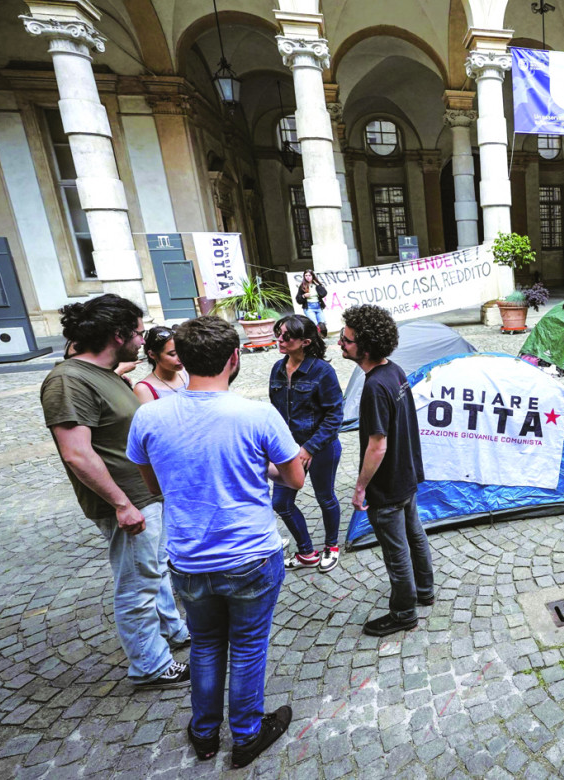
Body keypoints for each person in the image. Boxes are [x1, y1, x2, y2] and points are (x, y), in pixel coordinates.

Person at [127, 316, 303, 768]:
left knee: (205, 644)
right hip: (250, 553)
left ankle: (204, 732)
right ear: (234, 358)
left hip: (188, 557)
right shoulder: (257, 415)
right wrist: (256, 468)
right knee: (247, 646)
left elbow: (155, 483)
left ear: (181, 358)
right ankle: (246, 733)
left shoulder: (149, 415)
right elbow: (294, 478)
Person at [40, 294, 190, 690]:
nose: (143, 342)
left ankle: (172, 632)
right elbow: (76, 453)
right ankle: (150, 666)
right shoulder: (68, 380)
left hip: (145, 495)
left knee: (155, 573)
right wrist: (122, 504)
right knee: (136, 585)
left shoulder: (104, 371)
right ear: (117, 334)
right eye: (138, 333)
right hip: (127, 502)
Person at [339, 305, 434, 637]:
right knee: (415, 535)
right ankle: (425, 591)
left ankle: (404, 612)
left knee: (397, 552)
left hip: (388, 485)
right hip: (406, 476)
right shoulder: (393, 370)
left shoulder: (375, 387)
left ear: (364, 346)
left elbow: (377, 445)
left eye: (347, 340)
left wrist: (360, 487)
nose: (340, 343)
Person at [269, 314, 344, 573]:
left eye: (286, 336)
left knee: (325, 498)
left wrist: (310, 447)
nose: (279, 339)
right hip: (288, 449)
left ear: (305, 341)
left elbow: (335, 414)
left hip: (322, 447)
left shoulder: (322, 371)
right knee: (281, 502)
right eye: (278, 333)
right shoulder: (277, 369)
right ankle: (306, 552)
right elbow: (276, 412)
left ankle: (331, 547)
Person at [134, 326, 189, 404]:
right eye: (172, 354)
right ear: (152, 354)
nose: (180, 358)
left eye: (181, 351)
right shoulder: (144, 389)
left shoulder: (188, 373)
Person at [294, 270, 327, 336]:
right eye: (306, 275)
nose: (308, 277)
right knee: (314, 324)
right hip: (309, 307)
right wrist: (304, 296)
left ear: (312, 276)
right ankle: (316, 338)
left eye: (309, 275)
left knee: (322, 324)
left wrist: (318, 285)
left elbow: (324, 293)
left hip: (318, 306)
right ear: (304, 277)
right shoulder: (302, 286)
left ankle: (322, 336)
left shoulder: (317, 285)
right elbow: (298, 299)